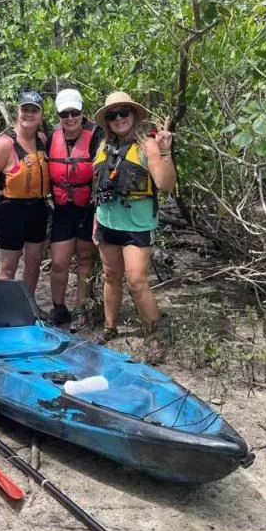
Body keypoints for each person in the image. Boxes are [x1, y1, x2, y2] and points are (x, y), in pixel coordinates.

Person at [91, 91, 175, 364]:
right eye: (112, 115)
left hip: (136, 225)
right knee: (109, 275)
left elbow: (165, 184)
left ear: (133, 115)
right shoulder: (103, 146)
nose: (119, 119)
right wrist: (95, 221)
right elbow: (99, 187)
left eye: (123, 112)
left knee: (137, 281)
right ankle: (110, 327)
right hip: (107, 222)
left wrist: (165, 150)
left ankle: (153, 335)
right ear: (107, 121)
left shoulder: (146, 145)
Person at [0, 90, 50, 295]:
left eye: (34, 110)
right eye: (24, 109)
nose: (28, 114)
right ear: (18, 111)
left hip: (37, 208)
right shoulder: (4, 144)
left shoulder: (42, 139)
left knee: (34, 263)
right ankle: (3, 310)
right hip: (9, 210)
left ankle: (28, 306)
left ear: (41, 115)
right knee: (8, 267)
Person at [46, 88, 104, 330]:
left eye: (75, 112)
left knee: (84, 258)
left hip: (86, 207)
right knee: (59, 262)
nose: (70, 118)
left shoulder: (97, 135)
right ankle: (59, 308)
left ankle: (81, 309)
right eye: (64, 114)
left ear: (82, 112)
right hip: (61, 207)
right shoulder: (50, 137)